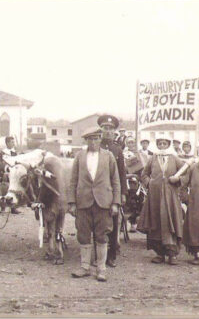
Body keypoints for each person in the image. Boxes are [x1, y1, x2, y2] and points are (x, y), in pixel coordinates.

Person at [68, 126, 121, 282]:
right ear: (86, 140)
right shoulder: (79, 156)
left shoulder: (109, 156)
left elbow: (116, 181)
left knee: (102, 235)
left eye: (96, 138)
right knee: (83, 234)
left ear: (100, 139)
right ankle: (84, 267)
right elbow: (73, 181)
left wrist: (116, 202)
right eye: (90, 139)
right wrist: (71, 202)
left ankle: (101, 269)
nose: (93, 142)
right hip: (83, 202)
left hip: (103, 202)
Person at [138, 134, 185, 265]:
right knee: (156, 222)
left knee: (171, 222)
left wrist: (178, 179)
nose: (162, 146)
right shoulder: (152, 158)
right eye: (160, 144)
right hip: (155, 196)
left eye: (164, 143)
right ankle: (159, 253)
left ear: (168, 145)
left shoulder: (174, 158)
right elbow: (144, 174)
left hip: (170, 196)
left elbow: (185, 172)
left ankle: (172, 254)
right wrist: (150, 183)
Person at [97, 114, 127, 268]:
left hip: (112, 192)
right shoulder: (96, 147)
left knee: (113, 224)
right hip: (98, 192)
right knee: (98, 224)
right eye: (104, 128)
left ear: (115, 131)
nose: (107, 131)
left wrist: (122, 194)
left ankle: (111, 255)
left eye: (110, 128)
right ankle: (97, 255)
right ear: (100, 129)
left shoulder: (117, 149)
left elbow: (122, 173)